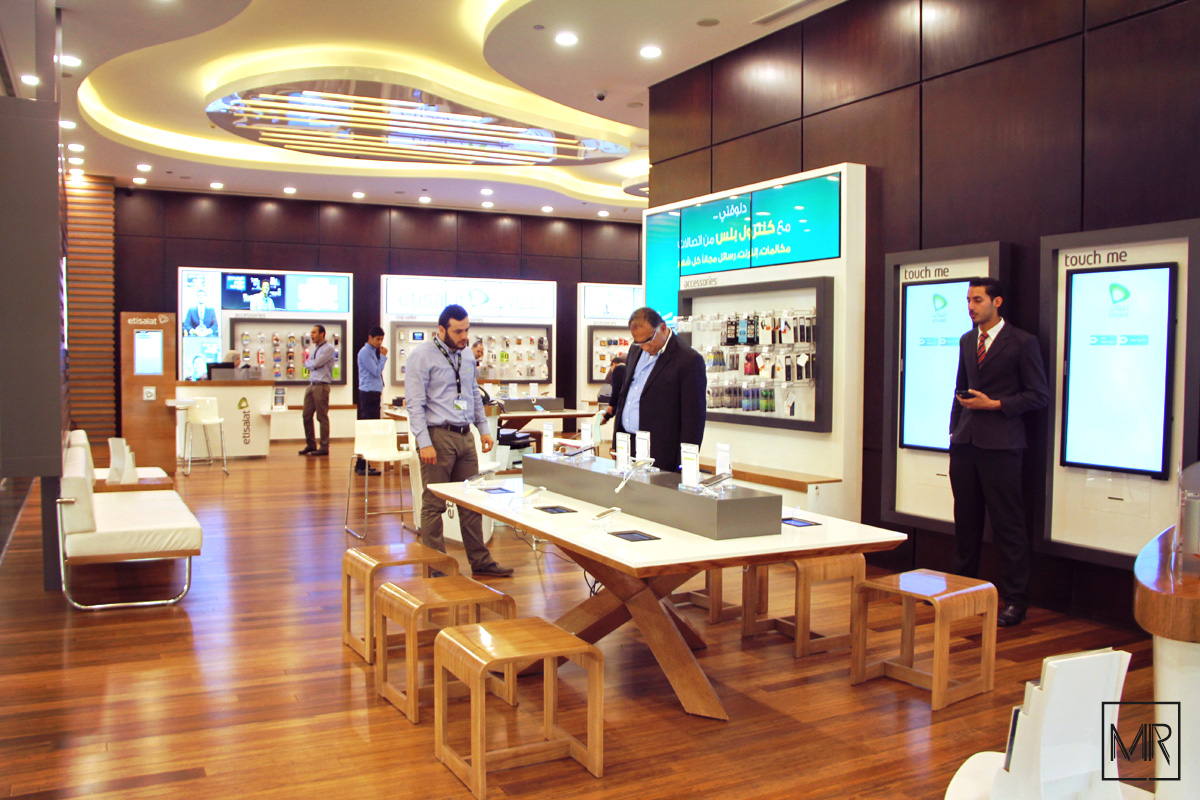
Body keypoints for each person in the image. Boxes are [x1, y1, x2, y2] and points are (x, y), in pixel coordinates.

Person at [949, 278, 1049, 628]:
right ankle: (961, 592)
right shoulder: (967, 340)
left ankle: (1016, 601)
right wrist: (954, 431)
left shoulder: (1022, 342)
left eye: (977, 300)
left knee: (1008, 525)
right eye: (968, 300)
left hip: (1003, 445)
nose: (971, 307)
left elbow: (1039, 395)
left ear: (997, 301)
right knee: (966, 524)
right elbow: (959, 389)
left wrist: (995, 404)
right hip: (965, 444)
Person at [406, 304, 512, 578]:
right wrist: (424, 442)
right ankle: (437, 567)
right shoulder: (421, 356)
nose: (465, 336)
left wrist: (483, 429)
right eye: (458, 331)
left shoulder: (466, 355)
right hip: (437, 436)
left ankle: (481, 561)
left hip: (466, 437)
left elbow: (473, 393)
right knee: (434, 505)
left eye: (467, 330)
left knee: (470, 502)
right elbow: (414, 404)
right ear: (441, 330)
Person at [611, 307, 706, 472]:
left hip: (661, 453)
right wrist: (616, 442)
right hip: (628, 445)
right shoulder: (635, 350)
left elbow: (693, 418)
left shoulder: (688, 360)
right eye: (638, 342)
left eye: (648, 340)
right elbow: (626, 396)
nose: (644, 347)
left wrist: (685, 463)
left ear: (662, 328)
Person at [355, 326, 388, 475]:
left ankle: (364, 464)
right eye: (377, 339)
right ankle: (362, 465)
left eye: (381, 339)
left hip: (373, 393)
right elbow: (375, 371)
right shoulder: (365, 352)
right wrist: (383, 357)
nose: (380, 342)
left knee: (371, 429)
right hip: (368, 394)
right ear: (370, 338)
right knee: (368, 430)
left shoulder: (372, 352)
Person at [298, 324, 335, 456]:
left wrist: (311, 364)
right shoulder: (315, 349)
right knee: (306, 415)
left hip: (321, 385)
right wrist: (311, 364)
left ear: (322, 334)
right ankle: (311, 444)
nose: (311, 335)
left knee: (321, 417)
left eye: (314, 332)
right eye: (311, 332)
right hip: (312, 384)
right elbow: (307, 363)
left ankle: (324, 446)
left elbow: (316, 363)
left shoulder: (329, 348)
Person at [599, 352, 627, 424]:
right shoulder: (628, 369)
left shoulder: (618, 368)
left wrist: (611, 406)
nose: (611, 370)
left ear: (614, 364)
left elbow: (616, 391)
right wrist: (607, 417)